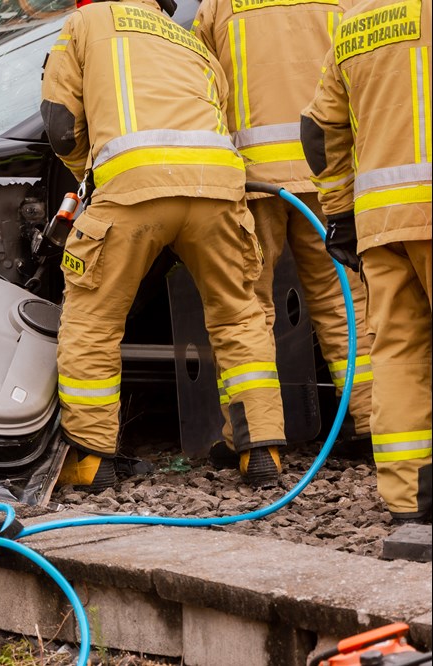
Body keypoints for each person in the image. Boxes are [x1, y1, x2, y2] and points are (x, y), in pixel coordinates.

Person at [42, 0, 288, 491]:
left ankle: (91, 459)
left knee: (94, 322)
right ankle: (260, 449)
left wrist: (92, 174)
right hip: (218, 188)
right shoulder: (190, 40)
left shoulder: (87, 22)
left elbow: (61, 124)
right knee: (239, 315)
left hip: (133, 189)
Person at [192, 0, 375, 462]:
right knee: (343, 299)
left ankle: (257, 442)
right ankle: (372, 424)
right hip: (326, 168)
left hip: (253, 178)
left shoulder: (218, 5)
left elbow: (198, 84)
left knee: (247, 307)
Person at [301, 0, 431, 523]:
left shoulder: (356, 20)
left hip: (381, 220)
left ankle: (409, 502)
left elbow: (318, 130)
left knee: (398, 351)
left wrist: (340, 214)